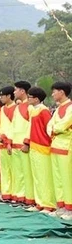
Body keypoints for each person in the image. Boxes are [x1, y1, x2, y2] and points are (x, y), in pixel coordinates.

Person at [27, 87, 55, 213]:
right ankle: (39, 202)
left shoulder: (44, 111)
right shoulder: (33, 110)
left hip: (43, 147)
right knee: (37, 176)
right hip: (34, 146)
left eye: (30, 97)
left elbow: (49, 129)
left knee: (44, 176)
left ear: (36, 99)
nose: (28, 99)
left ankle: (48, 204)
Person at [46, 82, 72, 220]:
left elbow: (63, 125)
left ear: (62, 92)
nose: (53, 94)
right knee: (58, 178)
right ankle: (61, 206)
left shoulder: (70, 107)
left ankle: (70, 208)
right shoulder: (58, 109)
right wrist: (54, 129)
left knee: (67, 178)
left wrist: (55, 129)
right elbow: (49, 126)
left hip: (67, 146)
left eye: (54, 91)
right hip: (55, 145)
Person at [11, 81, 34, 207]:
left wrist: (27, 142)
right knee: (18, 172)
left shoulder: (30, 107)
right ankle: (20, 197)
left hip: (24, 145)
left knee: (26, 172)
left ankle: (29, 198)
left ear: (22, 91)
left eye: (16, 90)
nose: (14, 92)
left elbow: (31, 127)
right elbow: (13, 126)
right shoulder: (17, 107)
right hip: (15, 144)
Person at [0, 86, 16, 203]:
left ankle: (14, 194)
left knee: (13, 169)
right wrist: (0, 135)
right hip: (2, 142)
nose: (1, 98)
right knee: (4, 170)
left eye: (2, 96)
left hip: (11, 143)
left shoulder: (16, 109)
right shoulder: (2, 109)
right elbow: (0, 125)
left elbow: (15, 127)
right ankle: (6, 193)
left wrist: (9, 140)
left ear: (9, 96)